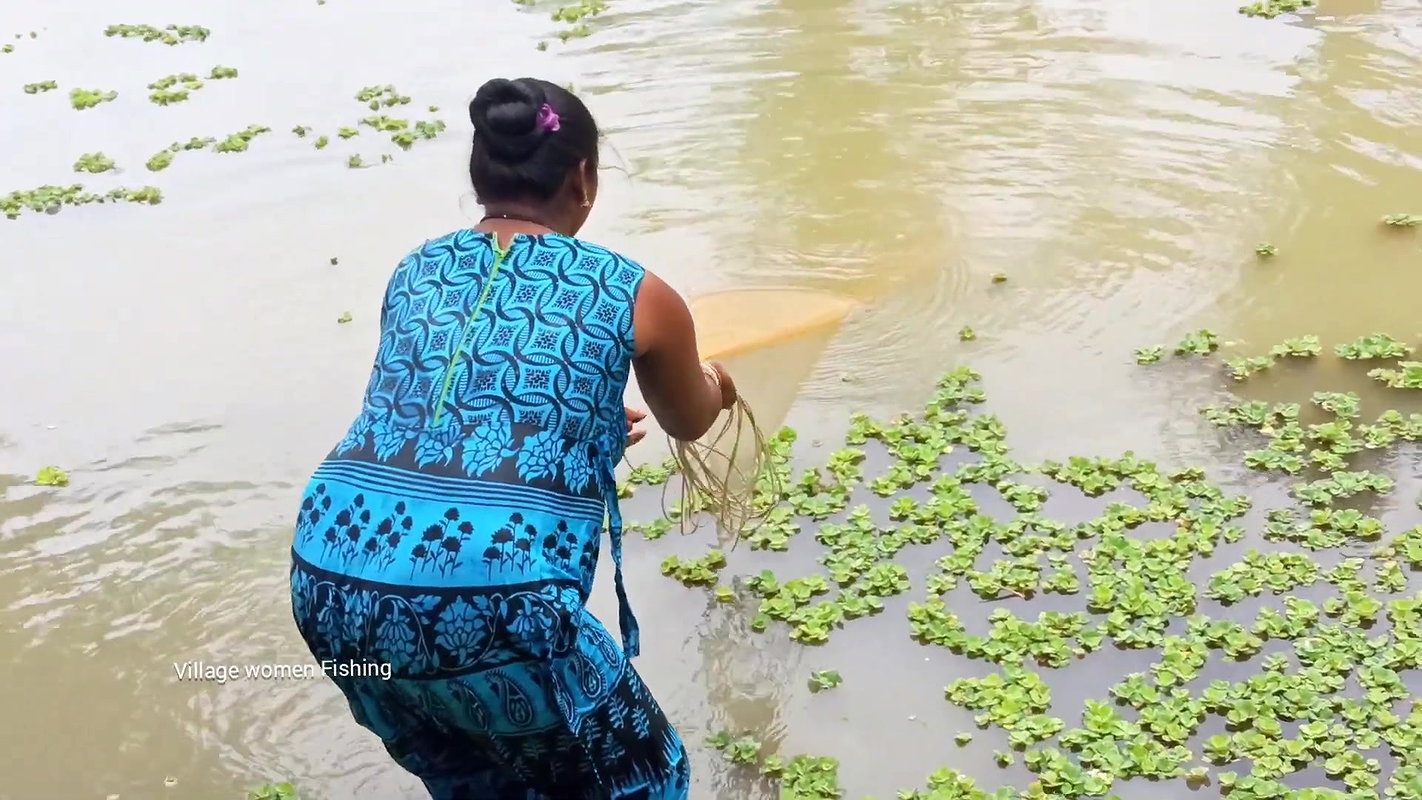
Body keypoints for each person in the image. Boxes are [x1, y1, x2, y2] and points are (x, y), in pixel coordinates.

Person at [288, 76, 738, 800]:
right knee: (645, 779)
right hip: (495, 590)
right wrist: (720, 380)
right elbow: (691, 418)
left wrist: (589, 431)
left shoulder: (416, 270)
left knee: (479, 782)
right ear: (583, 178)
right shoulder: (634, 292)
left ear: (481, 174)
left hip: (330, 579)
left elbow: (441, 418)